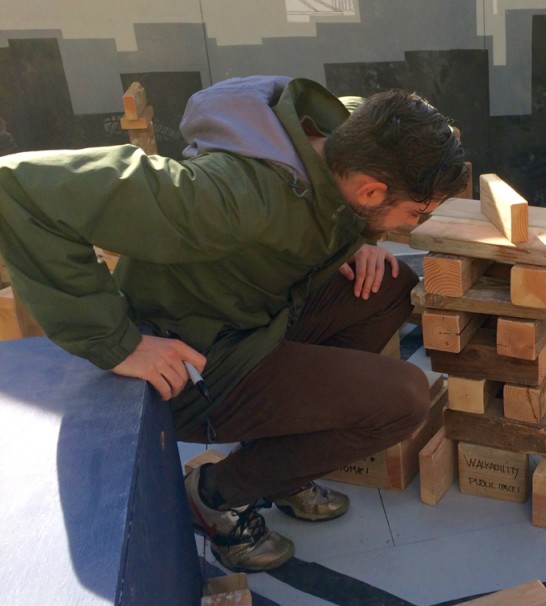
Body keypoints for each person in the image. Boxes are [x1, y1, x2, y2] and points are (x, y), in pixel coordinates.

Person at [0, 76, 468, 571]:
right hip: (192, 364)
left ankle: (280, 469)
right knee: (403, 400)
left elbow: (375, 148)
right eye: (414, 214)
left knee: (387, 287)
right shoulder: (228, 198)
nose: (411, 226)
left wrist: (360, 241)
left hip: (253, 317)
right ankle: (216, 496)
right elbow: (21, 190)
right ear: (371, 191)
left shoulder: (341, 134)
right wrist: (118, 344)